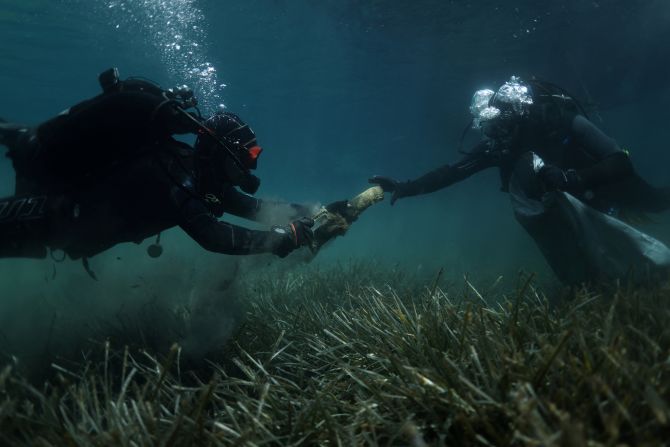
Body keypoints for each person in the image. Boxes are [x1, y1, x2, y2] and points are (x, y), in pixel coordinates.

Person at [370, 76, 670, 285]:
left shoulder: (559, 121)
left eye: (501, 128)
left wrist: (572, 177)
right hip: (573, 203)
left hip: (605, 182)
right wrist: (405, 188)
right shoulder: (500, 142)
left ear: (519, 118)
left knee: (655, 202)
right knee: (590, 248)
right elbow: (453, 171)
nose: (497, 137)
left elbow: (621, 162)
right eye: (490, 129)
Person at [0, 68, 315, 266]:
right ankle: (20, 137)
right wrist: (281, 239)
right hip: (49, 219)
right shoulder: (175, 175)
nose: (251, 167)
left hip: (65, 231)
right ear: (220, 153)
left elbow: (254, 207)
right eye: (247, 158)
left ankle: (16, 135)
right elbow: (214, 237)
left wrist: (314, 213)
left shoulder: (201, 175)